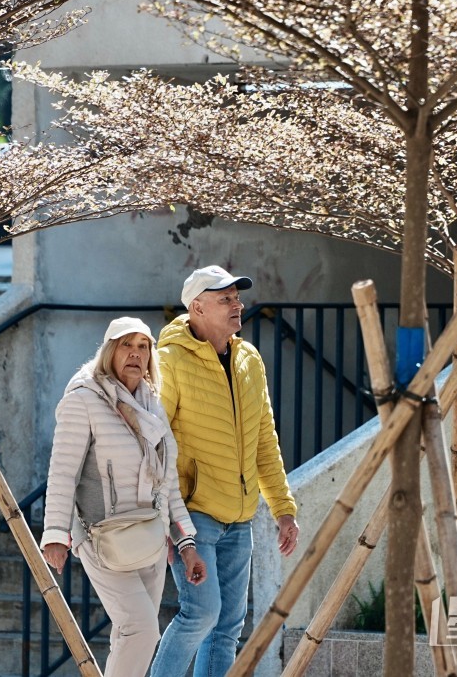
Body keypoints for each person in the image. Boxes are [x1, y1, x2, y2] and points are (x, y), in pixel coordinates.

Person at [151, 265, 300, 677]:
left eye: (237, 298)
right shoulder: (168, 361)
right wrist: (162, 516)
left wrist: (283, 508)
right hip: (192, 514)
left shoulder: (249, 359)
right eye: (225, 299)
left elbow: (264, 439)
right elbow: (154, 443)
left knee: (228, 627)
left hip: (240, 516)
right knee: (201, 613)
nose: (237, 305)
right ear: (197, 308)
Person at [41, 316, 208, 677]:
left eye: (143, 346)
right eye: (126, 345)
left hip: (151, 538)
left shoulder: (153, 404)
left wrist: (186, 543)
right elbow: (63, 471)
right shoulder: (84, 399)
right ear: (109, 352)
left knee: (130, 634)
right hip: (102, 537)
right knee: (141, 630)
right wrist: (55, 534)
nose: (135, 353)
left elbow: (167, 482)